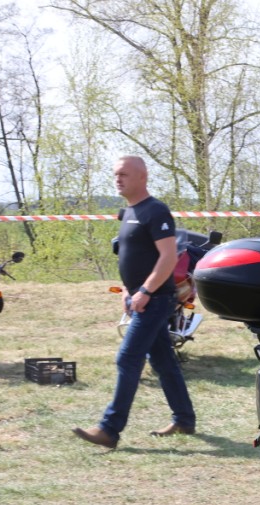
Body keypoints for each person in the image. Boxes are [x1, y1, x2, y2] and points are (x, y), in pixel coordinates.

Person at [73, 155, 197, 448]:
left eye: (124, 174)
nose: (118, 179)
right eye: (116, 174)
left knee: (128, 358)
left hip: (156, 300)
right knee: (163, 361)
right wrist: (129, 291)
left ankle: (109, 429)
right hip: (142, 297)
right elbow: (136, 257)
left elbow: (168, 257)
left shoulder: (156, 211)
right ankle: (184, 419)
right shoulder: (129, 212)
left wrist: (145, 291)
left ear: (142, 177)